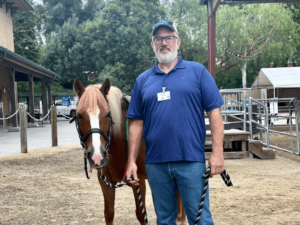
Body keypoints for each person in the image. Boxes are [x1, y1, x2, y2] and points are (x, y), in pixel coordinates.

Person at [126, 20, 224, 225]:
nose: (164, 42)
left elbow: (214, 113)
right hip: (156, 164)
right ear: (152, 45)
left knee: (201, 220)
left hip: (191, 161)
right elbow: (135, 123)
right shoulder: (142, 81)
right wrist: (132, 161)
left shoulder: (197, 72)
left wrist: (217, 153)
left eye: (168, 37)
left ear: (177, 42)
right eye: (158, 39)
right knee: (164, 220)